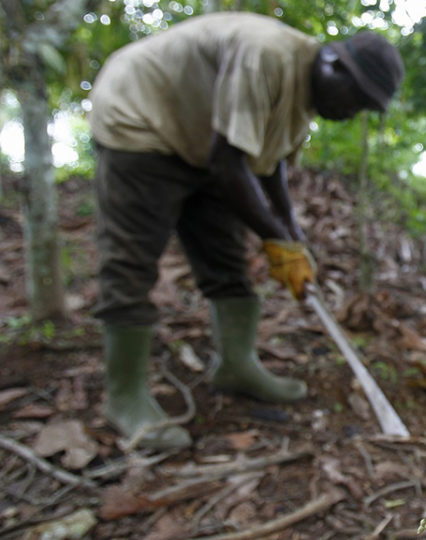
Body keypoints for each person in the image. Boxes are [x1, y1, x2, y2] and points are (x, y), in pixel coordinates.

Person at [88, 12, 404, 449]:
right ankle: (125, 398)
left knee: (227, 261)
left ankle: (235, 365)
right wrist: (275, 238)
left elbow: (269, 167)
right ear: (333, 64)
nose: (352, 113)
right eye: (356, 99)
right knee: (132, 263)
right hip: (141, 118)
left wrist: (292, 237)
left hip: (206, 146)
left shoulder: (304, 97)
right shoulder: (267, 56)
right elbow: (230, 164)